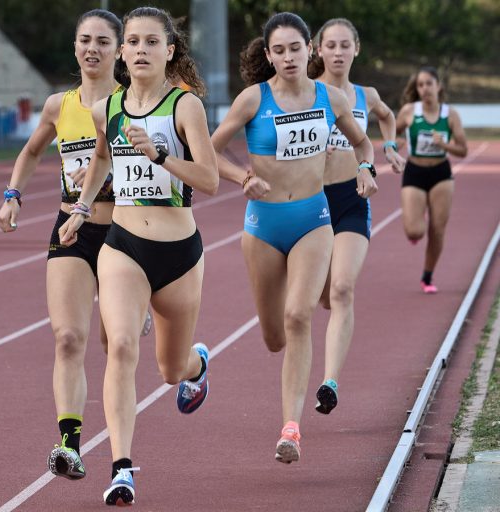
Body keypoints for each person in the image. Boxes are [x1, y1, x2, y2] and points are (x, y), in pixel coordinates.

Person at [58, 7, 218, 505]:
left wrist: (161, 157)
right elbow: (102, 155)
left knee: (169, 368)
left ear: (170, 51)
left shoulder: (184, 106)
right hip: (123, 246)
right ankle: (122, 468)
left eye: (153, 42)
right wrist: (82, 209)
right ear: (122, 52)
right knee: (121, 346)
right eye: (133, 42)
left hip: (179, 255)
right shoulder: (109, 107)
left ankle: (196, 367)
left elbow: (210, 181)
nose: (142, 50)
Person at [0, 9, 152, 486]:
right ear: (75, 47)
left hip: (124, 230)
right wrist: (12, 196)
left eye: (104, 42)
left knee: (114, 346)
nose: (92, 49)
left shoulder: (135, 103)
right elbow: (32, 151)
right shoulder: (58, 105)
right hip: (71, 227)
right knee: (68, 338)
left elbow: (156, 167)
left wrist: (107, 170)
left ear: (120, 50)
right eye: (85, 40)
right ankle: (69, 442)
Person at [210, 12, 375, 464]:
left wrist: (366, 168)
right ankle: (251, 354)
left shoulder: (332, 98)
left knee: (299, 316)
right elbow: (209, 148)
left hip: (314, 219)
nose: (287, 57)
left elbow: (362, 143)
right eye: (278, 50)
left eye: (295, 48)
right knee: (274, 336)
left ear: (311, 50)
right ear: (268, 55)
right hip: (263, 227)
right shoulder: (252, 100)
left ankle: (291, 429)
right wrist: (241, 176)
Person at [308, 18, 406, 415]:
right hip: (311, 204)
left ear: (356, 49)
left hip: (351, 199)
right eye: (330, 45)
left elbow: (386, 116)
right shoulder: (309, 95)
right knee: (323, 296)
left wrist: (391, 147)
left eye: (344, 45)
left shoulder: (366, 94)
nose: (337, 52)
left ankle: (329, 382)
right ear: (318, 50)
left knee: (343, 289)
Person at [395, 66, 468, 293]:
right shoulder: (409, 111)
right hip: (415, 171)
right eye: (420, 85)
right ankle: (416, 225)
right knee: (415, 231)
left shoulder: (450, 115)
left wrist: (443, 144)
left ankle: (427, 277)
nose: (425, 89)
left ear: (438, 87)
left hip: (441, 174)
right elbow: (392, 133)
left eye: (429, 84)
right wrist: (396, 144)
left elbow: (463, 150)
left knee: (437, 229)